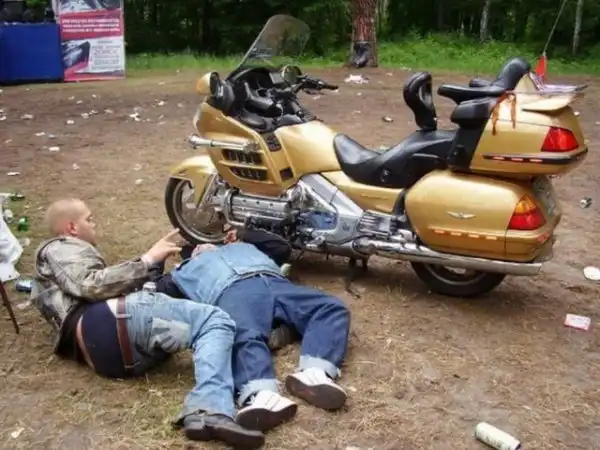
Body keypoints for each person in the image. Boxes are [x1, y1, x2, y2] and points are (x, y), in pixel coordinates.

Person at [30, 198, 265, 448]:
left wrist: (152, 264)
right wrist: (146, 259)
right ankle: (210, 408)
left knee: (197, 322)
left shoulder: (61, 261)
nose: (94, 223)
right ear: (72, 228)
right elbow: (90, 284)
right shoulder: (59, 247)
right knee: (214, 320)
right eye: (89, 219)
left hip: (112, 357)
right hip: (103, 323)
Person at [154, 229, 351, 433]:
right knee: (242, 332)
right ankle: (261, 394)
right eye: (197, 247)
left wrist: (242, 233)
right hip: (231, 291)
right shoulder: (182, 272)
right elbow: (150, 293)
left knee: (330, 307)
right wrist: (155, 260)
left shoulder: (247, 246)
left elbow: (281, 247)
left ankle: (315, 372)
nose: (202, 246)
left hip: (277, 283)